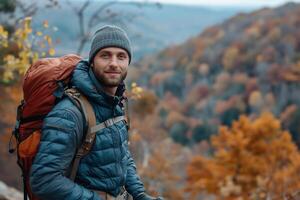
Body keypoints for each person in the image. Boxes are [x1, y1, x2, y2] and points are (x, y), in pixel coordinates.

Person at [30, 25, 163, 200]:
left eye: (121, 56)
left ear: (128, 63)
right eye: (105, 55)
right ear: (92, 61)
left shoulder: (114, 104)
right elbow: (44, 180)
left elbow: (121, 156)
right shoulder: (69, 113)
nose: (114, 63)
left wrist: (139, 194)